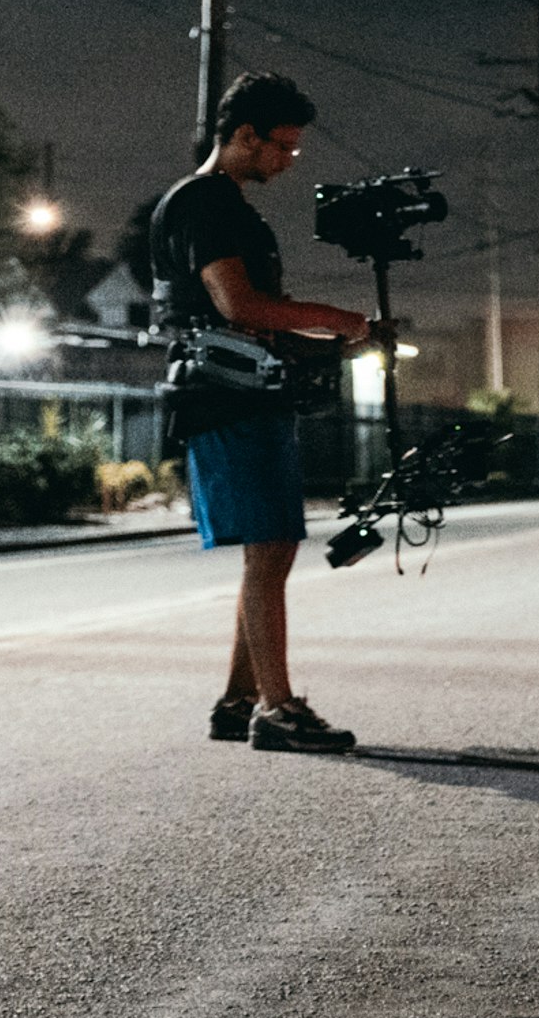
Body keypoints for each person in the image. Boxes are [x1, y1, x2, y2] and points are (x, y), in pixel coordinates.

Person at [151, 72, 377, 751]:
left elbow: (256, 316)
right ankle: (276, 709)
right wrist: (336, 318)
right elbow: (239, 307)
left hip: (242, 391)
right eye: (282, 146)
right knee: (269, 548)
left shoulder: (222, 203)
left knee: (270, 549)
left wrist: (342, 331)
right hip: (225, 396)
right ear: (243, 135)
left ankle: (239, 700)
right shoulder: (205, 203)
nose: (287, 160)